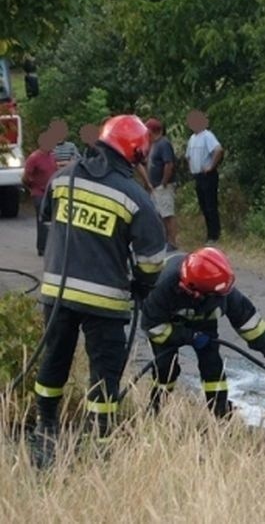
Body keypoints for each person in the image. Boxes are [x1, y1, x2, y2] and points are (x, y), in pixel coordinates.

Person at [33, 115, 166, 467]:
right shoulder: (135, 196)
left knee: (53, 363)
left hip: (57, 294)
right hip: (105, 302)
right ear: (136, 153)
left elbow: (47, 218)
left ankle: (45, 431)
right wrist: (142, 283)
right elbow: (152, 258)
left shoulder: (62, 179)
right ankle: (101, 443)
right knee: (104, 375)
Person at [139, 247, 265, 417]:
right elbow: (152, 326)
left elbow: (249, 324)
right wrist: (190, 337)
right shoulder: (162, 287)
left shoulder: (222, 290)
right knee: (166, 369)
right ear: (194, 292)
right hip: (166, 325)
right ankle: (155, 409)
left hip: (203, 323)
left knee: (212, 367)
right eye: (216, 295)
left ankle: (220, 412)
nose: (221, 299)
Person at [185, 109, 223, 244]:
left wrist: (211, 166)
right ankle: (209, 232)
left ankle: (214, 234)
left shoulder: (207, 136)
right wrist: (191, 167)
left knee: (210, 205)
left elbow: (218, 150)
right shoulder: (192, 139)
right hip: (198, 176)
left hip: (208, 175)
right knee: (203, 205)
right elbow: (188, 156)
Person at [142, 117, 178, 251]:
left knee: (167, 214)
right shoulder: (153, 144)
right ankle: (164, 239)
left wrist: (164, 181)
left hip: (163, 186)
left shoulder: (163, 143)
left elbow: (169, 163)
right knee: (159, 214)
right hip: (155, 186)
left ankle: (172, 242)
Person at [22, 132, 57, 256]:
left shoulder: (52, 156)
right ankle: (42, 247)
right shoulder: (34, 158)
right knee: (42, 220)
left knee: (53, 219)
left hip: (51, 192)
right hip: (39, 192)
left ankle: (51, 245)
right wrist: (33, 187)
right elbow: (26, 177)